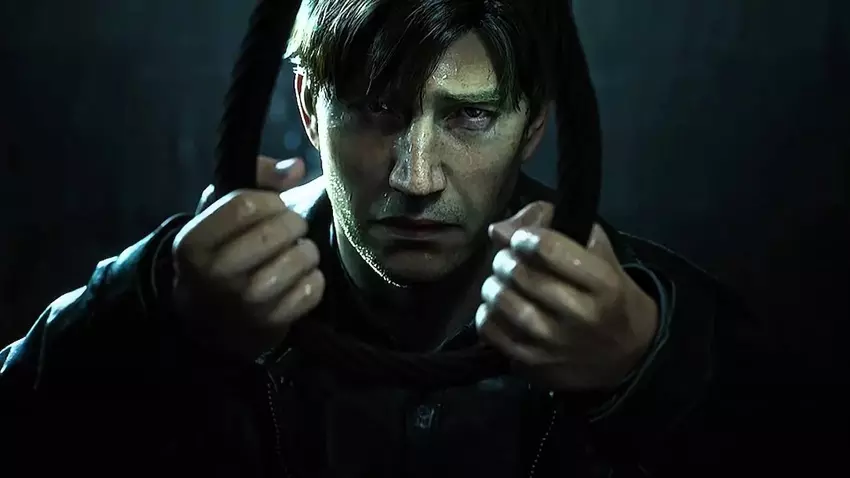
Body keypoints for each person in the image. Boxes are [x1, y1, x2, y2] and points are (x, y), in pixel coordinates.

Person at [0, 0, 776, 477]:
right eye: (377, 109)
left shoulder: (632, 307)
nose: (417, 176)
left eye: (469, 115)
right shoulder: (196, 290)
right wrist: (155, 315)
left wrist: (646, 367)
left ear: (534, 125)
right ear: (310, 107)